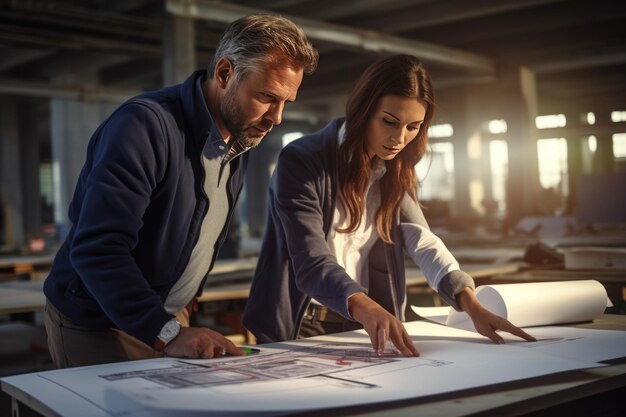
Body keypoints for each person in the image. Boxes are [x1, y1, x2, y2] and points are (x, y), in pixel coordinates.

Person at [43, 14, 318, 368]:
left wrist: (178, 313)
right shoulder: (144, 126)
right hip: (97, 321)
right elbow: (98, 249)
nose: (277, 118)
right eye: (266, 97)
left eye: (286, 103)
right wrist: (166, 331)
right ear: (224, 73)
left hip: (165, 318)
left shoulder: (240, 140)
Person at [243, 54, 535, 356]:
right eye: (389, 122)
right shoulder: (302, 160)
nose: (399, 138)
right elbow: (311, 261)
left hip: (362, 324)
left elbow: (422, 241)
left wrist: (471, 305)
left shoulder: (392, 169)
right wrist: (368, 307)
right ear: (364, 111)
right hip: (302, 324)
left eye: (414, 127)